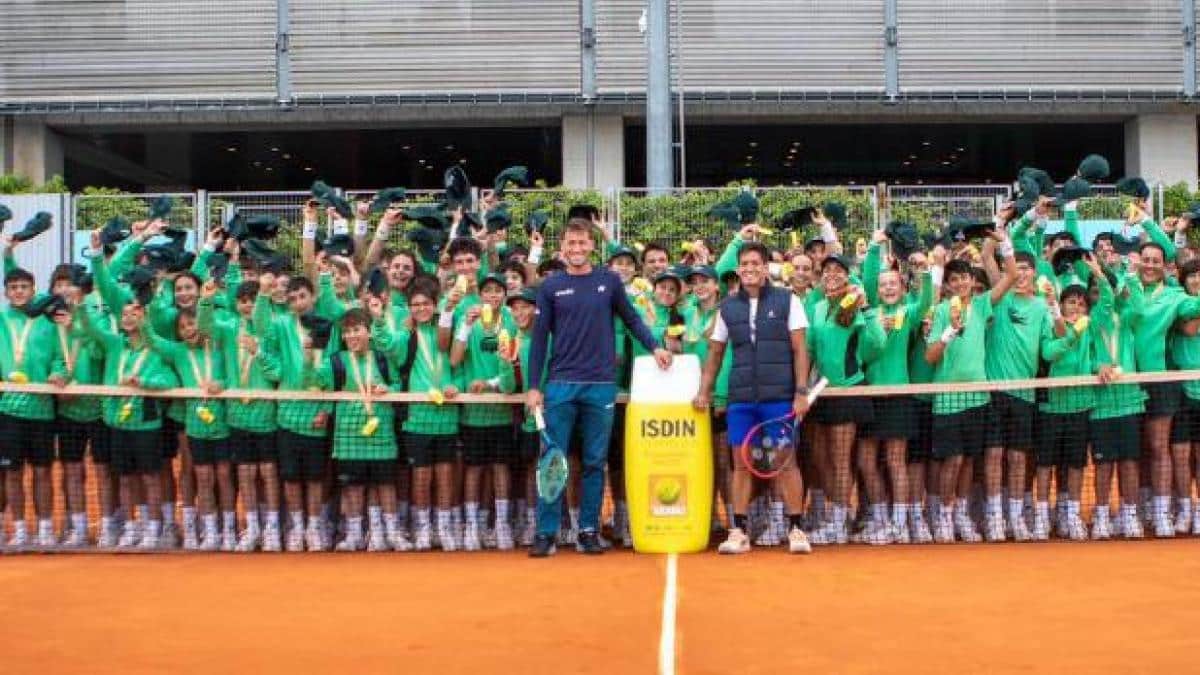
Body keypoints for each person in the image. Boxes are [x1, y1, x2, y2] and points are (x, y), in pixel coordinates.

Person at [526, 218, 671, 557]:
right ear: (561, 248)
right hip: (560, 385)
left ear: (592, 246)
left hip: (600, 387)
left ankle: (588, 530)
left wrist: (656, 347)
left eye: (582, 243)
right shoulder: (550, 287)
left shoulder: (609, 282)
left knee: (594, 462)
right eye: (570, 244)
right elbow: (538, 340)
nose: (576, 250)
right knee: (552, 460)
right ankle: (546, 533)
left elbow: (633, 319)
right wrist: (535, 386)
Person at [694, 241, 813, 555]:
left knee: (785, 462)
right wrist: (704, 392)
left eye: (754, 264)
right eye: (743, 264)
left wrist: (801, 392)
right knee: (741, 465)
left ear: (765, 268)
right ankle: (739, 530)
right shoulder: (727, 308)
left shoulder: (789, 301)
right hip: (741, 400)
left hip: (779, 398)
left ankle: (796, 528)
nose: (748, 269)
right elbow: (715, 354)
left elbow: (801, 349)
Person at [924, 227, 1017, 543]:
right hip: (948, 399)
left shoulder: (980, 306)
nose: (961, 283)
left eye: (965, 278)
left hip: (978, 398)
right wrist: (949, 332)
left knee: (968, 461)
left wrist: (1004, 242)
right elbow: (930, 356)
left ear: (971, 282)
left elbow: (1010, 277)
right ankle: (945, 516)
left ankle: (961, 514)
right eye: (954, 280)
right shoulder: (939, 312)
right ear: (948, 286)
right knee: (953, 460)